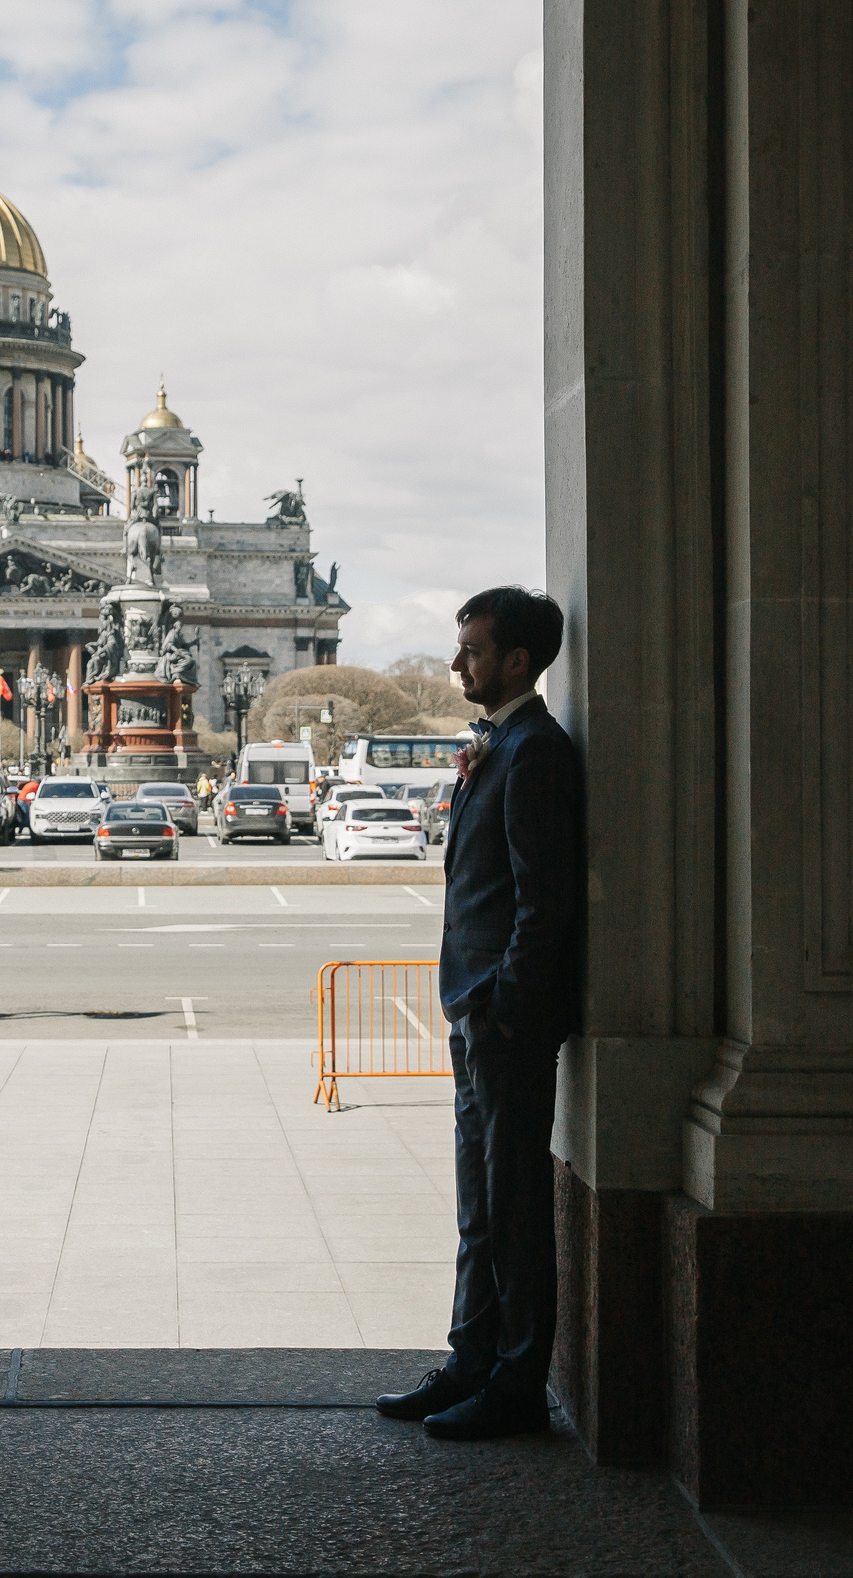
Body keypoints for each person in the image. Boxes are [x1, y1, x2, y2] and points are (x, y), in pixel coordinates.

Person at [376, 587, 583, 1440]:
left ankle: (516, 1383)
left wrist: (503, 1006)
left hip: (504, 1021)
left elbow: (545, 899)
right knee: (478, 1203)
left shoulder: (535, 752)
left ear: (518, 661)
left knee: (515, 1205)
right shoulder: (503, 744)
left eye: (472, 649)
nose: (457, 662)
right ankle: (470, 1356)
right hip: (475, 1011)